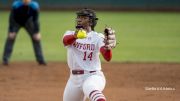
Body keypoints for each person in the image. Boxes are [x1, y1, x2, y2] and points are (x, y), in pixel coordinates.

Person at [62, 8, 116, 101]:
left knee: (91, 88)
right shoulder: (70, 33)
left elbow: (107, 57)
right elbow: (65, 41)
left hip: (92, 76)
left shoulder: (98, 37)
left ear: (90, 22)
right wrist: (75, 36)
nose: (79, 19)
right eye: (78, 17)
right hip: (74, 80)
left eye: (83, 18)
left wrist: (108, 48)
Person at [2, 0, 46, 65]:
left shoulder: (34, 6)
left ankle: (41, 59)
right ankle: (5, 59)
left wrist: (37, 32)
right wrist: (11, 31)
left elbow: (36, 20)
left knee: (36, 38)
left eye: (27, 0)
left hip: (28, 22)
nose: (26, 2)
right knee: (10, 38)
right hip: (16, 22)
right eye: (25, 0)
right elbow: (11, 18)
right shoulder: (16, 5)